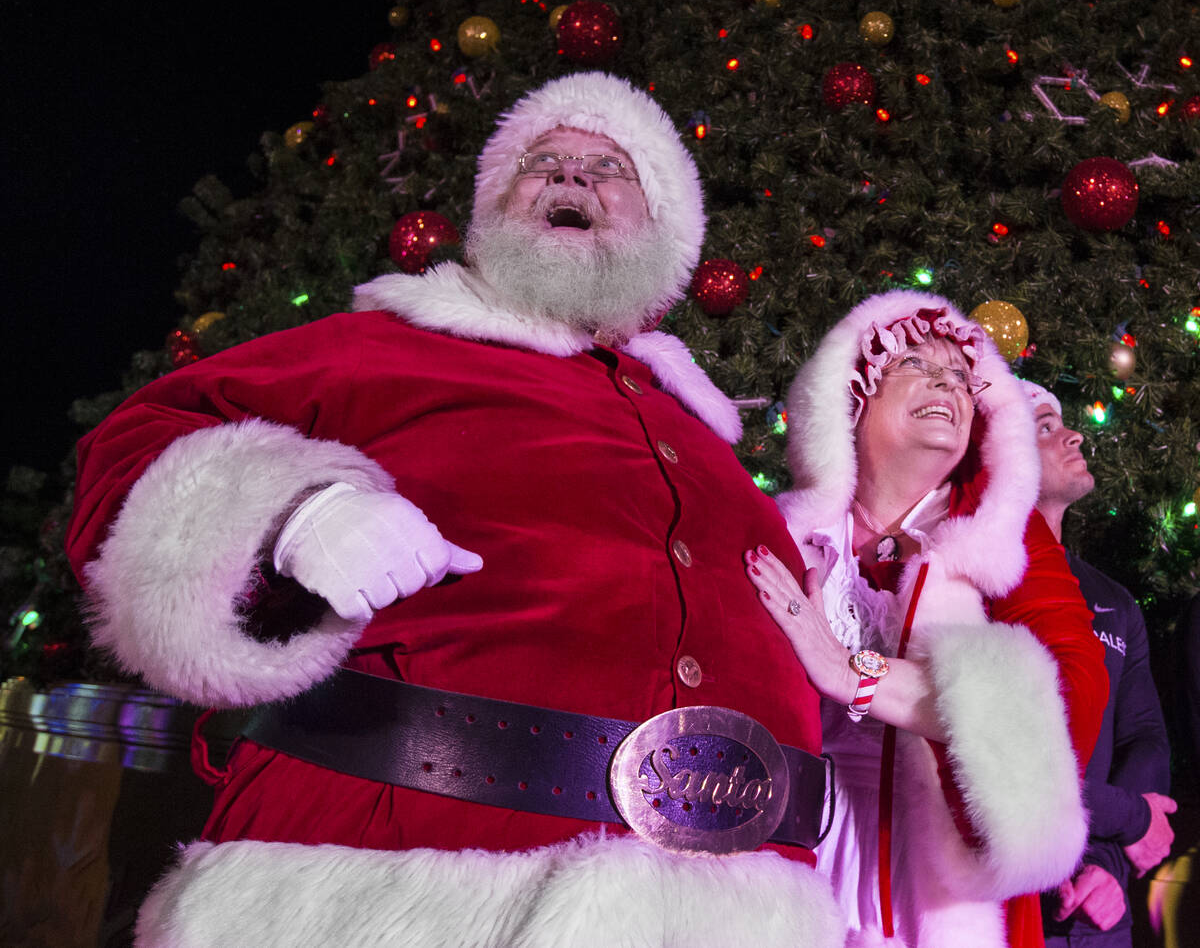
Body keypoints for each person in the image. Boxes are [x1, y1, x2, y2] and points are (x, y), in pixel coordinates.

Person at [64, 72, 843, 946]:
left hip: (731, 906)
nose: (570, 177)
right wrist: (297, 513)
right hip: (400, 884)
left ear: (668, 232)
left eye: (608, 168)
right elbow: (135, 446)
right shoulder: (379, 346)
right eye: (541, 162)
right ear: (494, 208)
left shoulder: (700, 432)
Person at [744, 289, 1109, 947]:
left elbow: (1071, 695)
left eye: (965, 377)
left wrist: (851, 670)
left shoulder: (1003, 538)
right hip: (790, 873)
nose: (948, 380)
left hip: (940, 896)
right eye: (914, 361)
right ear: (849, 398)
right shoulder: (777, 533)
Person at [1024, 382, 1175, 947]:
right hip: (1011, 898)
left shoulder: (1114, 598)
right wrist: (1126, 822)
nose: (1073, 433)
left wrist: (1106, 869)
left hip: (1101, 907)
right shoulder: (974, 583)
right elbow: (998, 763)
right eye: (1043, 427)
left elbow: (1145, 739)